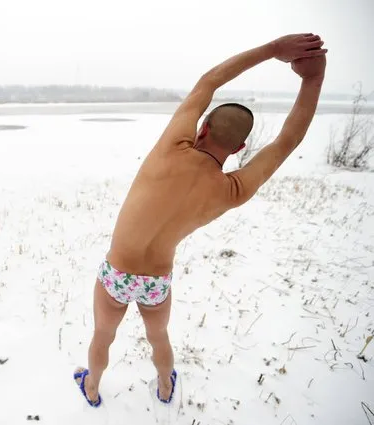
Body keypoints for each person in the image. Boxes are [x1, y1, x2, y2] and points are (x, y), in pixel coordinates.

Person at [73, 34, 328, 407]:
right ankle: (164, 387)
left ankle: (92, 387)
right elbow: (287, 141)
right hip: (156, 282)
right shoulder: (233, 188)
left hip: (117, 272)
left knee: (103, 336)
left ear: (202, 127)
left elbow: (210, 81)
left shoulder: (172, 146)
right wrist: (313, 81)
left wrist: (274, 50)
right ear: (240, 148)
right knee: (159, 338)